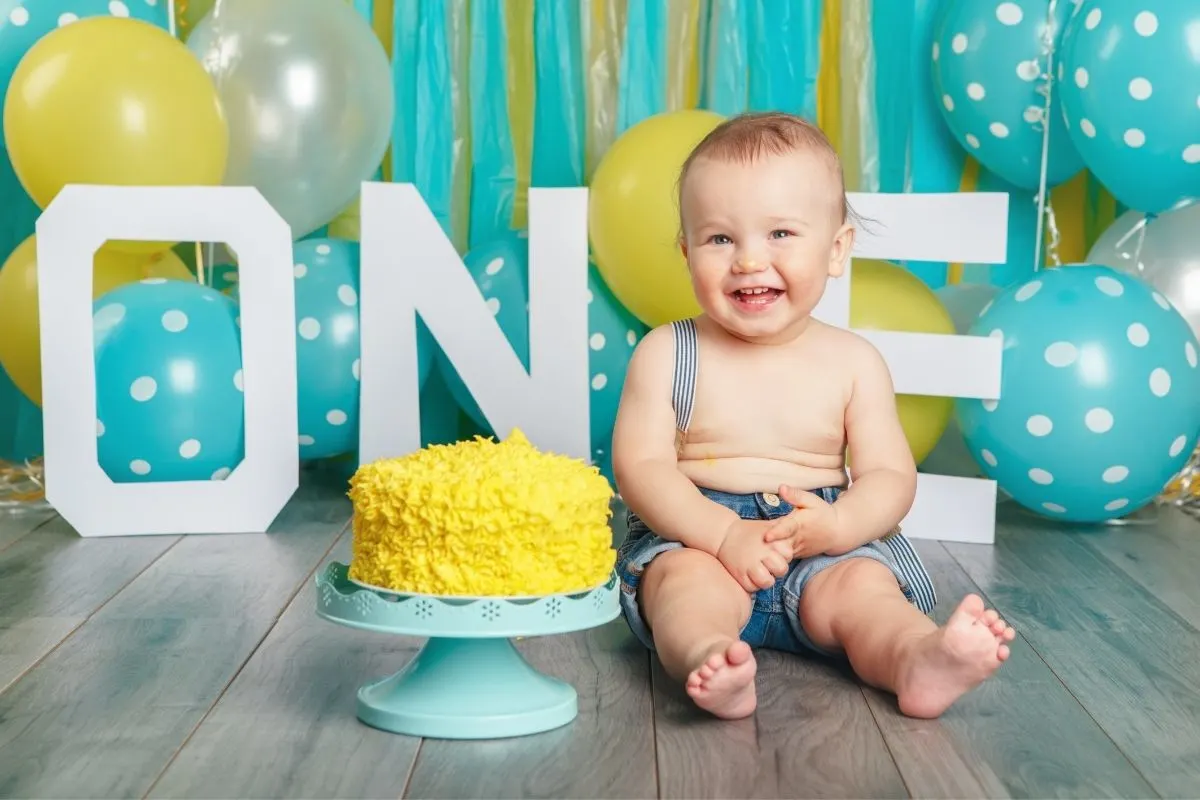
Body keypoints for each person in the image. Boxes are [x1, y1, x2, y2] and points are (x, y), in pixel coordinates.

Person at [610, 111, 1014, 721]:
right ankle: (710, 657)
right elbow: (640, 467)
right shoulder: (667, 352)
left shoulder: (854, 362)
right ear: (686, 249)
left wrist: (842, 525)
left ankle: (915, 659)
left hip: (823, 539)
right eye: (720, 239)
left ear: (836, 248)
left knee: (865, 595)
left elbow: (888, 476)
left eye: (780, 234)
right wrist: (721, 534)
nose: (749, 260)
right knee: (682, 589)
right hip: (700, 535)